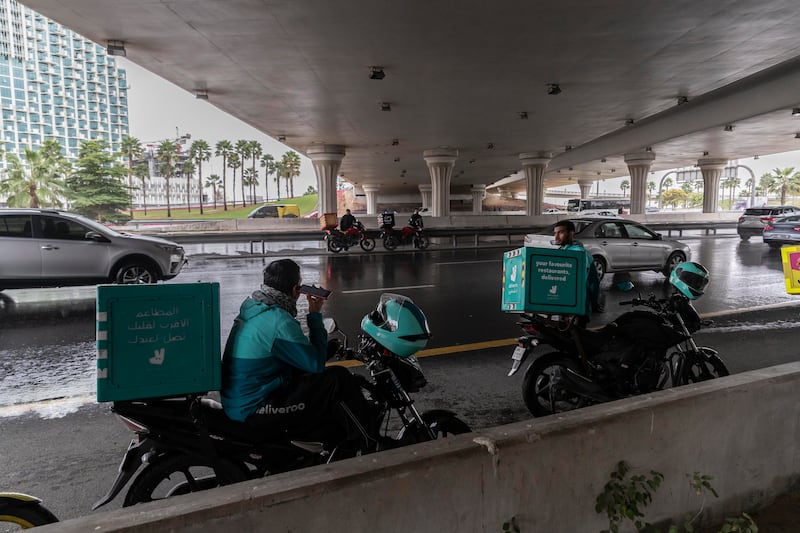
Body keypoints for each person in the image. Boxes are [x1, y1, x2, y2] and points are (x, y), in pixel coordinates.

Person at [220, 258, 378, 450]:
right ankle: (369, 442)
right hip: (254, 408)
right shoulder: (278, 321)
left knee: (311, 380)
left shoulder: (254, 307)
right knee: (338, 379)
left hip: (238, 399)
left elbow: (296, 357)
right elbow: (315, 364)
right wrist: (314, 314)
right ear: (296, 289)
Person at [552, 220, 601, 321]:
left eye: (561, 232)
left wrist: (593, 302)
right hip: (564, 304)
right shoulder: (561, 251)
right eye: (555, 233)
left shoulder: (580, 254)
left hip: (579, 305)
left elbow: (591, 282)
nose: (556, 237)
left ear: (571, 233)